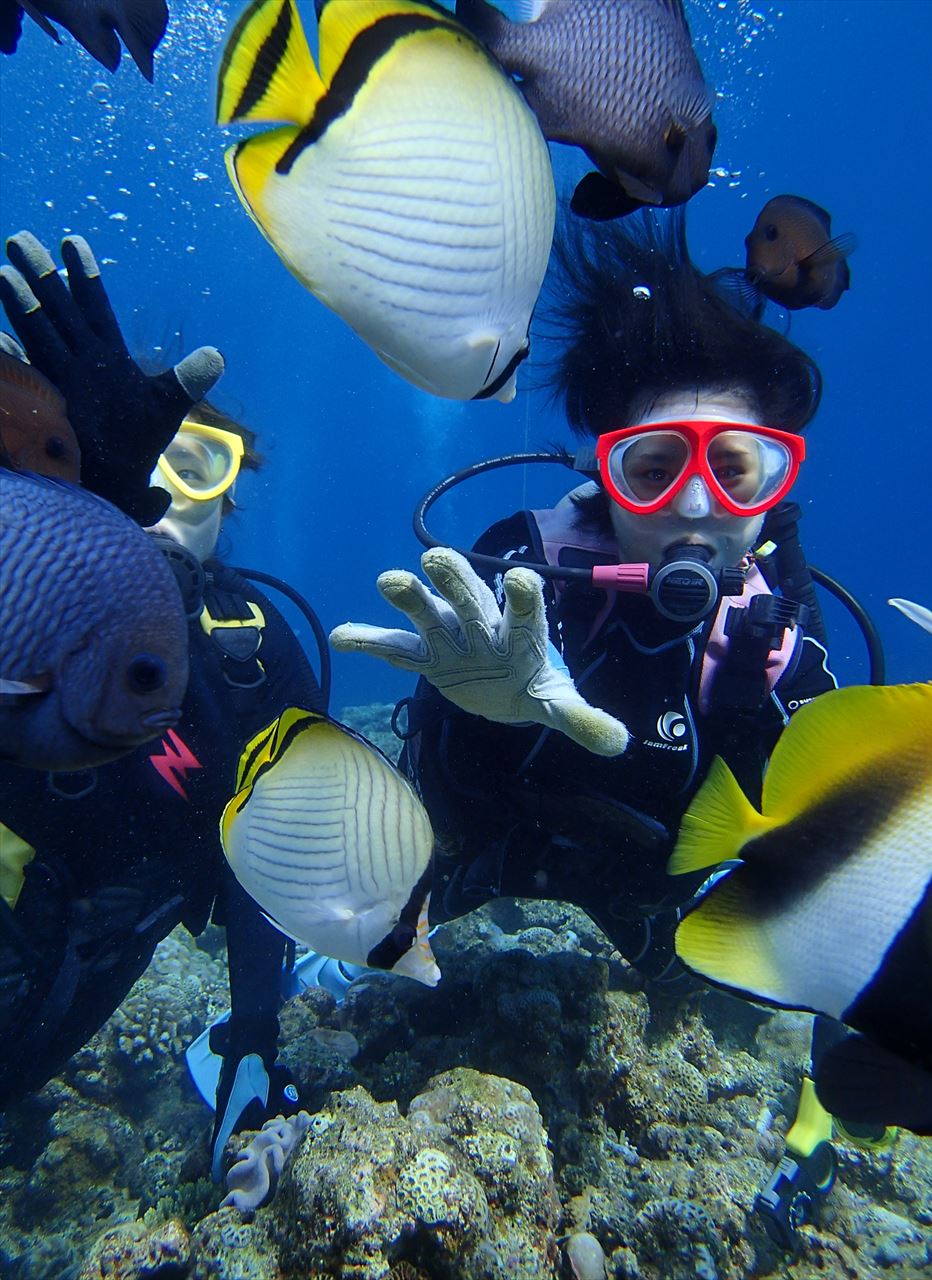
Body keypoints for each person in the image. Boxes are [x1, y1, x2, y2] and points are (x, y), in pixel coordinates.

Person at [330, 211, 873, 1245]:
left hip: (658, 923)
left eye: (741, 469)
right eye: (654, 465)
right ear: (605, 471)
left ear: (773, 491)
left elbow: (827, 874)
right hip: (484, 890)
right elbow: (428, 804)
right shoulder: (521, 572)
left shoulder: (777, 644)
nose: (698, 506)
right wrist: (475, 712)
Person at [0, 233, 321, 1179]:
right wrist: (87, 510)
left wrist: (253, 1045)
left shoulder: (255, 657)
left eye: (198, 464)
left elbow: (268, 872)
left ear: (233, 498)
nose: (164, 496)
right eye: (140, 470)